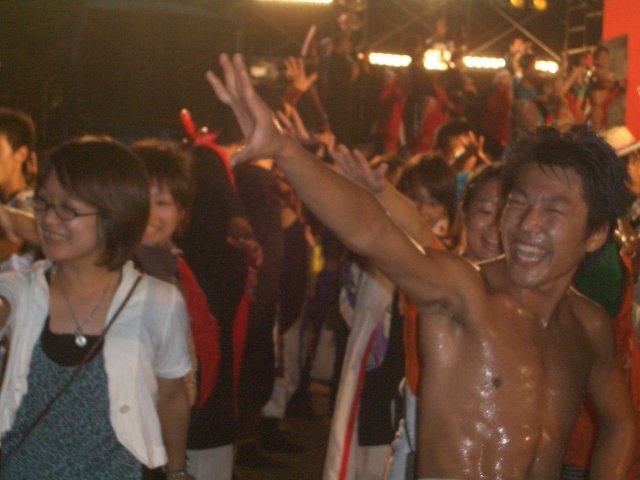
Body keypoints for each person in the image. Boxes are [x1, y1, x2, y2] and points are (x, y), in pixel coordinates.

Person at [207, 53, 636, 479]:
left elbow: (621, 423)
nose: (527, 225)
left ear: (596, 233)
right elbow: (372, 231)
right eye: (518, 203)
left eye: (553, 211)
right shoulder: (465, 293)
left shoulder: (589, 327)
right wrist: (285, 150)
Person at [0, 136, 192, 479]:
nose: (48, 219)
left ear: (114, 214)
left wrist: (177, 471)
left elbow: (172, 397)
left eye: (68, 209)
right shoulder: (20, 289)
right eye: (42, 203)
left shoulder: (159, 301)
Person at [131, 139, 222, 480]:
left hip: (161, 442)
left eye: (163, 202)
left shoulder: (177, 270)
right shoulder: (108, 270)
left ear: (182, 212)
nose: (151, 214)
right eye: (140, 200)